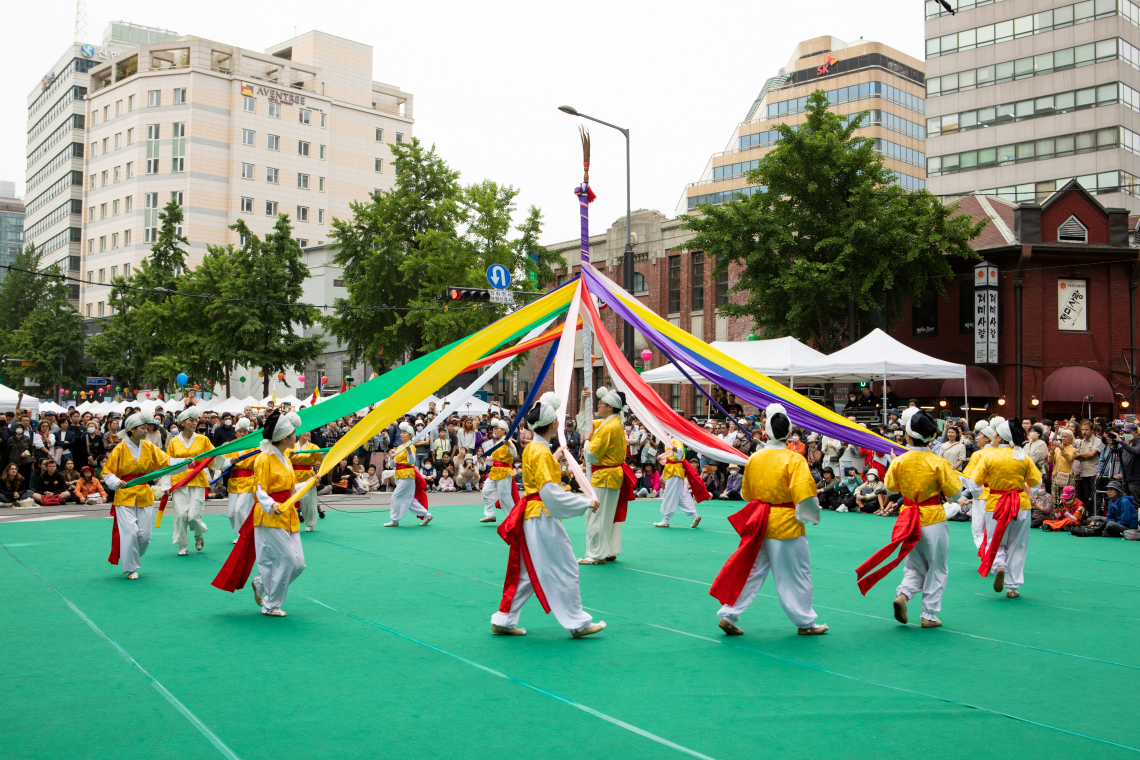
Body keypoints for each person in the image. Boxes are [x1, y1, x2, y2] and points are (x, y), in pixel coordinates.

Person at [491, 392, 606, 638]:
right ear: (553, 424)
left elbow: (541, 480)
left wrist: (556, 457)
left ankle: (504, 618)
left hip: (533, 514)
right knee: (565, 567)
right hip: (540, 515)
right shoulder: (540, 451)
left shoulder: (535, 448)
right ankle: (578, 623)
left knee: (527, 570)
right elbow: (550, 493)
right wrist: (585, 502)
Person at [710, 403, 827, 636]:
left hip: (760, 522)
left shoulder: (755, 458)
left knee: (752, 571)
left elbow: (747, 494)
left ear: (767, 431)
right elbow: (804, 493)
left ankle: (729, 613)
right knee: (797, 574)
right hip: (786, 524)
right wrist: (811, 515)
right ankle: (805, 622)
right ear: (789, 432)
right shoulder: (794, 460)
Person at [856, 409, 960, 628]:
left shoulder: (900, 461)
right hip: (933, 517)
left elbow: (892, 487)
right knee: (937, 567)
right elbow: (955, 493)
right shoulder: (938, 462)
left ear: (908, 435)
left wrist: (896, 464)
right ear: (932, 436)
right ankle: (929, 615)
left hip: (908, 517)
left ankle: (904, 595)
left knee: (913, 566)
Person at [965, 418, 1042, 599]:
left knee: (995, 540)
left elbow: (974, 484)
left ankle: (999, 565)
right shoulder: (1023, 456)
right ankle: (1012, 586)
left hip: (995, 504)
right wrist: (1028, 493)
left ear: (999, 437)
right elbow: (1036, 482)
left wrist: (981, 493)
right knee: (1018, 545)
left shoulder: (989, 456)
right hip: (1021, 504)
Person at [245, 410, 307, 616]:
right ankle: (271, 604)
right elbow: (259, 489)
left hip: (287, 513)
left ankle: (261, 583)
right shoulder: (264, 459)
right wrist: (270, 505)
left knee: (298, 564)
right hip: (269, 515)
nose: (296, 436)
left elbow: (289, 489)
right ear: (284, 437)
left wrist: (309, 483)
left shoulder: (285, 458)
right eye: (293, 433)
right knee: (287, 560)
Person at [102, 412, 172, 580]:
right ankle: (131, 567)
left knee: (144, 535)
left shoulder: (148, 447)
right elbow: (107, 473)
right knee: (130, 532)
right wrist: (116, 481)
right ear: (132, 430)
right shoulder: (119, 448)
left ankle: (131, 557)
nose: (146, 431)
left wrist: (185, 461)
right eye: (143, 428)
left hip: (144, 493)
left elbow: (166, 461)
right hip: (124, 495)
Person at [580, 388, 634, 564]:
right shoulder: (614, 422)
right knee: (609, 515)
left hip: (604, 475)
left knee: (595, 514)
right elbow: (586, 424)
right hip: (613, 475)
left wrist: (587, 440)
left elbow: (591, 455)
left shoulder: (608, 427)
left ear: (610, 407)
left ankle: (596, 554)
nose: (598, 406)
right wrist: (583, 401)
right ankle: (608, 550)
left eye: (601, 404)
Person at [166, 407, 212, 556]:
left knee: (193, 515)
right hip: (179, 481)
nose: (194, 423)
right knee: (180, 515)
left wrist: (222, 452)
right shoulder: (173, 442)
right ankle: (183, 544)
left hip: (197, 479)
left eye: (195, 420)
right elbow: (167, 463)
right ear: (182, 423)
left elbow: (213, 456)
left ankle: (198, 534)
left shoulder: (203, 439)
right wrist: (166, 484)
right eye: (191, 420)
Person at [386, 422, 432, 527]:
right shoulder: (398, 448)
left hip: (407, 475)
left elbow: (411, 461)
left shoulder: (411, 447)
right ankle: (426, 514)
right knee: (410, 499)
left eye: (404, 433)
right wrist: (391, 457)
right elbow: (392, 464)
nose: (402, 434)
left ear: (410, 435)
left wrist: (409, 451)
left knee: (395, 496)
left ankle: (394, 520)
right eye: (401, 432)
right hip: (399, 474)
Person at [654, 439, 707, 528]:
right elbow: (672, 454)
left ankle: (665, 520)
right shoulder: (670, 439)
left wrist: (676, 450)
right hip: (675, 470)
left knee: (669, 494)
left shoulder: (675, 439)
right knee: (682, 495)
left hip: (674, 471)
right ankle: (694, 515)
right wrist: (662, 457)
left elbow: (679, 452)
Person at [223, 418, 260, 543]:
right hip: (233, 482)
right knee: (231, 514)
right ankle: (240, 533)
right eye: (240, 431)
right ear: (235, 432)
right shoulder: (229, 446)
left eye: (245, 431)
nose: (243, 434)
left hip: (249, 481)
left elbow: (259, 464)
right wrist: (229, 461)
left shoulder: (254, 447)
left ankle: (243, 535)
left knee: (240, 509)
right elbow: (221, 464)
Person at [480, 420, 518, 524]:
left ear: (504, 430)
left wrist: (510, 446)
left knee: (504, 496)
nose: (494, 431)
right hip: (494, 471)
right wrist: (486, 459)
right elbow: (494, 460)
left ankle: (513, 518)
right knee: (485, 492)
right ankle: (490, 514)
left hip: (504, 472)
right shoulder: (497, 442)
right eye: (494, 429)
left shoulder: (508, 442)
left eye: (497, 429)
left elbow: (514, 454)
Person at [290, 430, 324, 532]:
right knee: (290, 500)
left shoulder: (313, 447)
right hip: (293, 476)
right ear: (299, 433)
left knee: (308, 501)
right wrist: (289, 456)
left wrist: (327, 453)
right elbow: (284, 459)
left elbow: (322, 456)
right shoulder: (291, 446)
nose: (307, 433)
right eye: (305, 431)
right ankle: (290, 522)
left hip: (307, 476)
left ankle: (309, 523)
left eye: (309, 432)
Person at [1073, 419, 1104, 508]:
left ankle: (1096, 515)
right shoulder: (1082, 441)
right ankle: (1089, 515)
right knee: (1087, 496)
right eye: (1083, 430)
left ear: (1091, 430)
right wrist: (1083, 456)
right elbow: (1076, 456)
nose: (1084, 432)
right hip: (1084, 472)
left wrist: (1081, 455)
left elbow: (1091, 454)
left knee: (1095, 496)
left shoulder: (1096, 440)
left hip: (1094, 472)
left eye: (1086, 430)